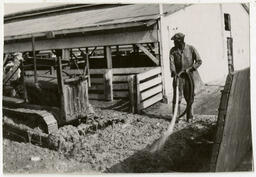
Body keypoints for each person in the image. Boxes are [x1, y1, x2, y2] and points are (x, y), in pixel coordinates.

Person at [169, 33, 202, 122]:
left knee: (189, 97)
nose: (174, 43)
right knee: (177, 98)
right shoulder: (173, 51)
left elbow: (199, 61)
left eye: (175, 42)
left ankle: (189, 116)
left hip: (189, 77)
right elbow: (171, 63)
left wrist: (191, 68)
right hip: (178, 77)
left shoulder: (191, 49)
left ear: (181, 41)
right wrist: (174, 72)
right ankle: (176, 117)